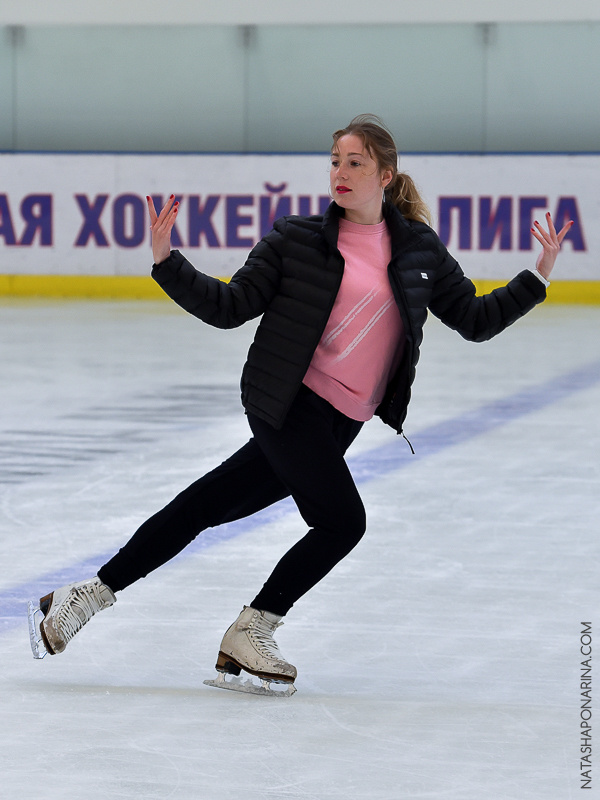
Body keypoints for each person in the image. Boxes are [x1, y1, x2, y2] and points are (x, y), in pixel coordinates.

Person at [28, 115, 572, 691]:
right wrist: (168, 262)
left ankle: (83, 597)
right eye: (335, 161)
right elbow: (230, 305)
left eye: (355, 162)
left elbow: (475, 319)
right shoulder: (297, 239)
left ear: (385, 175)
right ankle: (254, 626)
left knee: (203, 506)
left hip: (341, 423)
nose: (340, 172)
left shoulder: (419, 251)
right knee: (342, 522)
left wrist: (536, 277)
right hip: (286, 403)